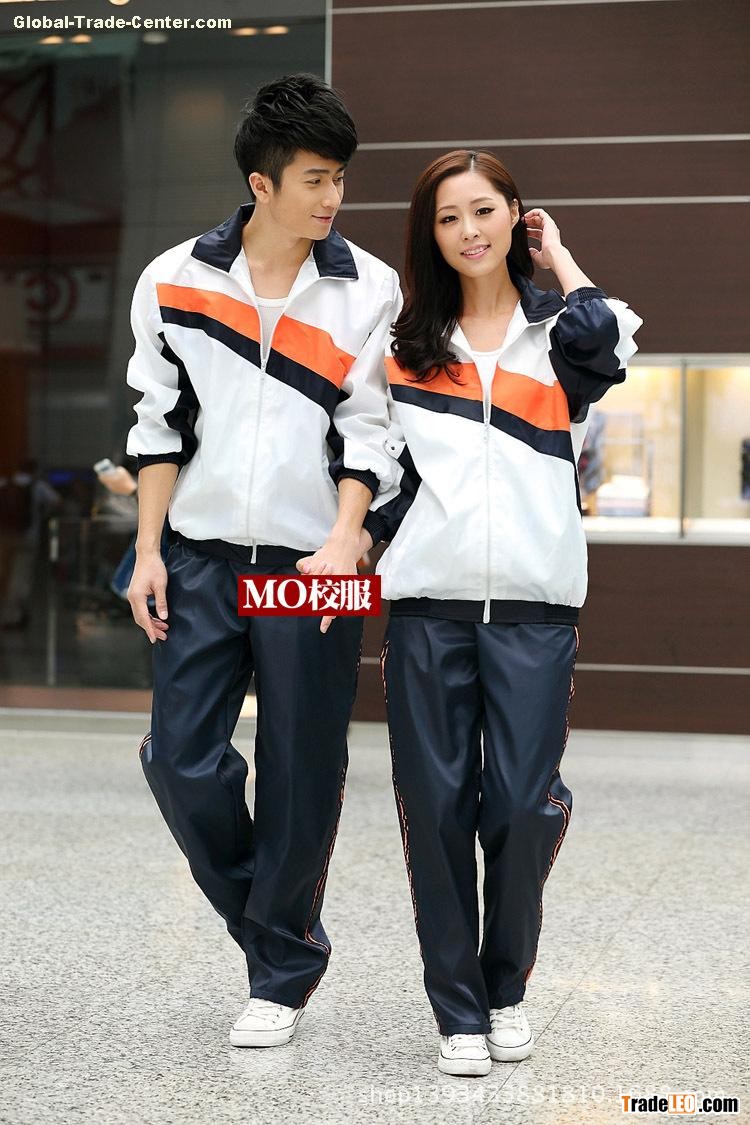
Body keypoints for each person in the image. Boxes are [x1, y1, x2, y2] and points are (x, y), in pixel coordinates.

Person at [125, 74, 401, 1048]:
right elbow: (158, 427)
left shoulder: (369, 287)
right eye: (316, 179)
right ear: (262, 183)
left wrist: (346, 539)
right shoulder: (175, 281)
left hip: (310, 561)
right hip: (198, 556)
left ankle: (277, 977)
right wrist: (148, 551)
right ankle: (277, 932)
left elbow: (373, 429)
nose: (333, 197)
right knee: (179, 761)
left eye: (341, 178)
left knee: (301, 766)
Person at [360, 150, 642, 1076]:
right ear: (429, 234)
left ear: (515, 214)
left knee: (522, 804)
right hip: (426, 610)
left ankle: (505, 987)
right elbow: (380, 466)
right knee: (435, 809)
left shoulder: (559, 337)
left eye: (484, 210)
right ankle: (458, 1011)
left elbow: (607, 336)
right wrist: (376, 537)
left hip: (535, 608)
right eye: (448, 218)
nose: (467, 231)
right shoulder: (407, 346)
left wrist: (556, 256)